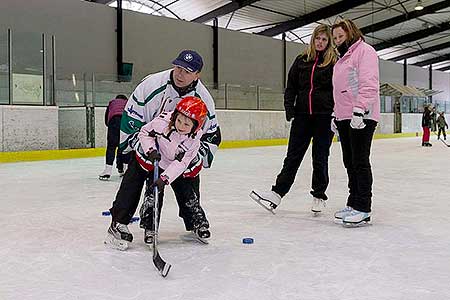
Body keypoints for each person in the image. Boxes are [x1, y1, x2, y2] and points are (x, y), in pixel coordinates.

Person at [106, 49, 221, 248]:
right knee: (135, 174)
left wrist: (197, 157)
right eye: (178, 67)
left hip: (180, 147)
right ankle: (119, 222)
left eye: (187, 71)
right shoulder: (151, 85)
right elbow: (131, 120)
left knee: (188, 177)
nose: (180, 74)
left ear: (197, 75)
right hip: (150, 140)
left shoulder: (204, 98)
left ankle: (193, 220)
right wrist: (140, 147)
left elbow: (212, 134)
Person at [250, 24, 337, 214]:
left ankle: (319, 196)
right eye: (317, 38)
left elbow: (338, 90)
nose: (320, 42)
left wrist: (335, 114)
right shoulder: (302, 60)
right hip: (302, 116)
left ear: (329, 42)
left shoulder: (333, 62)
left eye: (324, 39)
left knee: (320, 157)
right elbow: (291, 87)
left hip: (324, 117)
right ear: (313, 39)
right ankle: (277, 194)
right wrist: (290, 109)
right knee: (292, 157)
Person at [106, 96, 208, 248]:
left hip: (176, 164)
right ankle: (150, 226)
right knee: (152, 192)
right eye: (179, 120)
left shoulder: (194, 140)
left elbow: (182, 163)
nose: (181, 126)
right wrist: (151, 150)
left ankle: (196, 222)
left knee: (187, 192)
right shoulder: (163, 122)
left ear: (196, 126)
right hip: (154, 157)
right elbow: (144, 132)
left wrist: (165, 179)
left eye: (186, 124)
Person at [331, 19, 380, 226]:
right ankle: (353, 202)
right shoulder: (342, 59)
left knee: (360, 161)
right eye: (334, 38)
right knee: (349, 161)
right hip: (344, 116)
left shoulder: (364, 51)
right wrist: (336, 114)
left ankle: (363, 207)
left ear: (350, 33)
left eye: (340, 36)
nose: (336, 41)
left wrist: (360, 110)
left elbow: (369, 83)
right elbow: (340, 91)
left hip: (362, 114)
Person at [99, 94, 130, 180]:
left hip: (114, 121)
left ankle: (107, 171)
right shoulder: (128, 102)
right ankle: (125, 169)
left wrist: (111, 127)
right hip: (125, 122)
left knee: (111, 147)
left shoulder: (112, 102)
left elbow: (106, 119)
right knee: (124, 147)